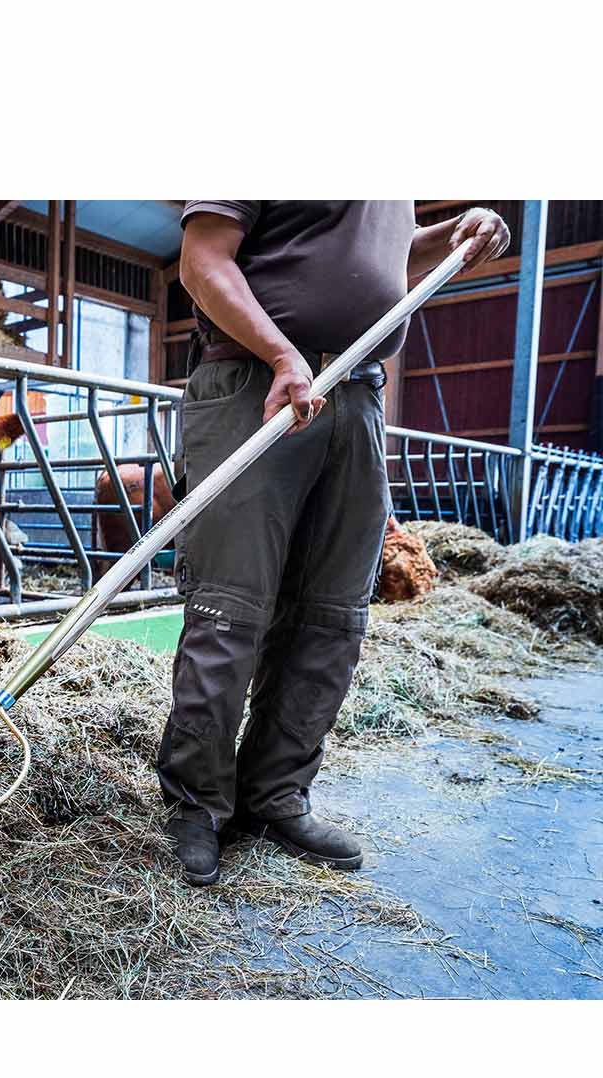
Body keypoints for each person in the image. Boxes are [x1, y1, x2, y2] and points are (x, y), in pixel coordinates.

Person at [160, 201, 510, 885]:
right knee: (232, 605)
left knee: (333, 614)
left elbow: (388, 260)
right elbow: (203, 261)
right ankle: (197, 804)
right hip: (257, 382)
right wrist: (281, 353)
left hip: (359, 395)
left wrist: (453, 235)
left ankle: (275, 796)